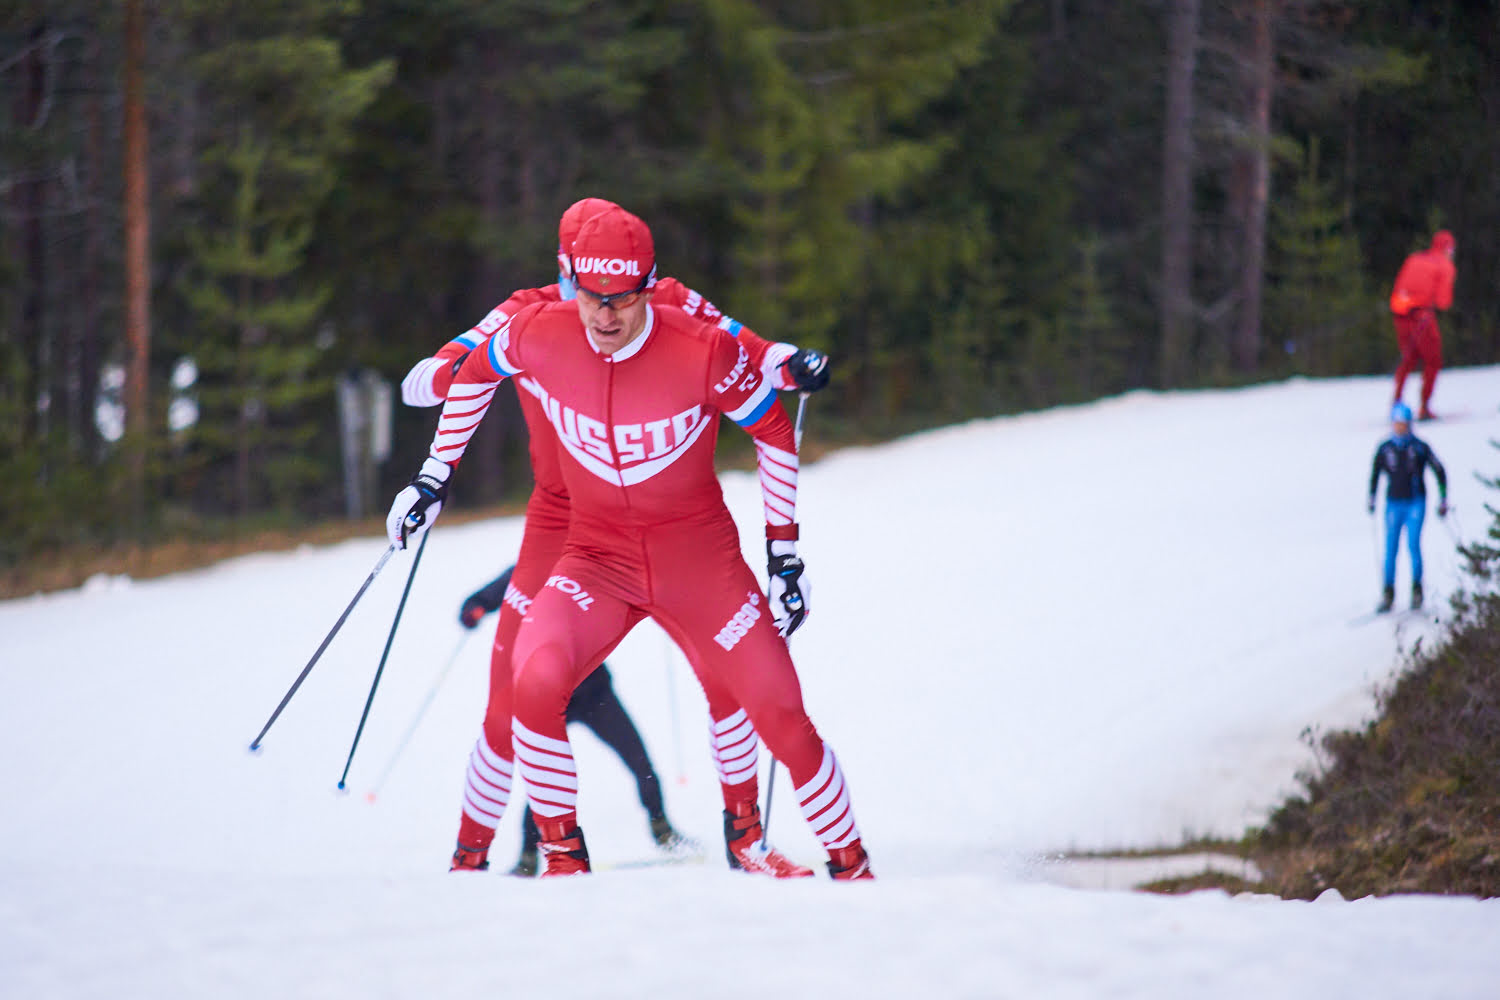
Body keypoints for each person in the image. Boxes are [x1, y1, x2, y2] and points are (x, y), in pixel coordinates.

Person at [387, 205, 872, 880]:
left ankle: (753, 838)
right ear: (566, 269)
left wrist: (789, 366)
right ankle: (485, 860)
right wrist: (433, 472)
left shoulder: (674, 310)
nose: (600, 312)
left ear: (643, 280)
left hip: (686, 544)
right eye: (582, 287)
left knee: (747, 693)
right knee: (517, 695)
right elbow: (447, 373)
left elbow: (751, 358)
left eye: (620, 294)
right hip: (568, 527)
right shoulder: (532, 317)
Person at [458, 565, 700, 876]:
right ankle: (528, 857)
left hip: (595, 693)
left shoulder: (586, 566)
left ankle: (663, 830)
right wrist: (473, 610)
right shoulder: (529, 570)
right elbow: (480, 600)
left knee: (640, 761)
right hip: (549, 698)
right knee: (545, 778)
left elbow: (638, 584)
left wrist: (663, 593)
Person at [1368, 402, 1449, 613]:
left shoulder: (1419, 447)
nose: (1400, 428)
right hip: (1393, 504)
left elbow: (1440, 471)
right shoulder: (1385, 448)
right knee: (1390, 550)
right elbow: (1375, 474)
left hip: (1416, 502)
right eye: (1397, 424)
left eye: (1403, 424)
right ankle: (1388, 593)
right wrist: (1371, 497)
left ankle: (1417, 591)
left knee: (1413, 545)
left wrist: (1443, 499)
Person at [1389, 230, 1456, 420]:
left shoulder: (1414, 259)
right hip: (1422, 318)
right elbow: (1444, 302)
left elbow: (1399, 286)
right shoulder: (1445, 266)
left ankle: (1396, 401)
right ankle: (1425, 406)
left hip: (1400, 315)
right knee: (1433, 361)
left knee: (1408, 359)